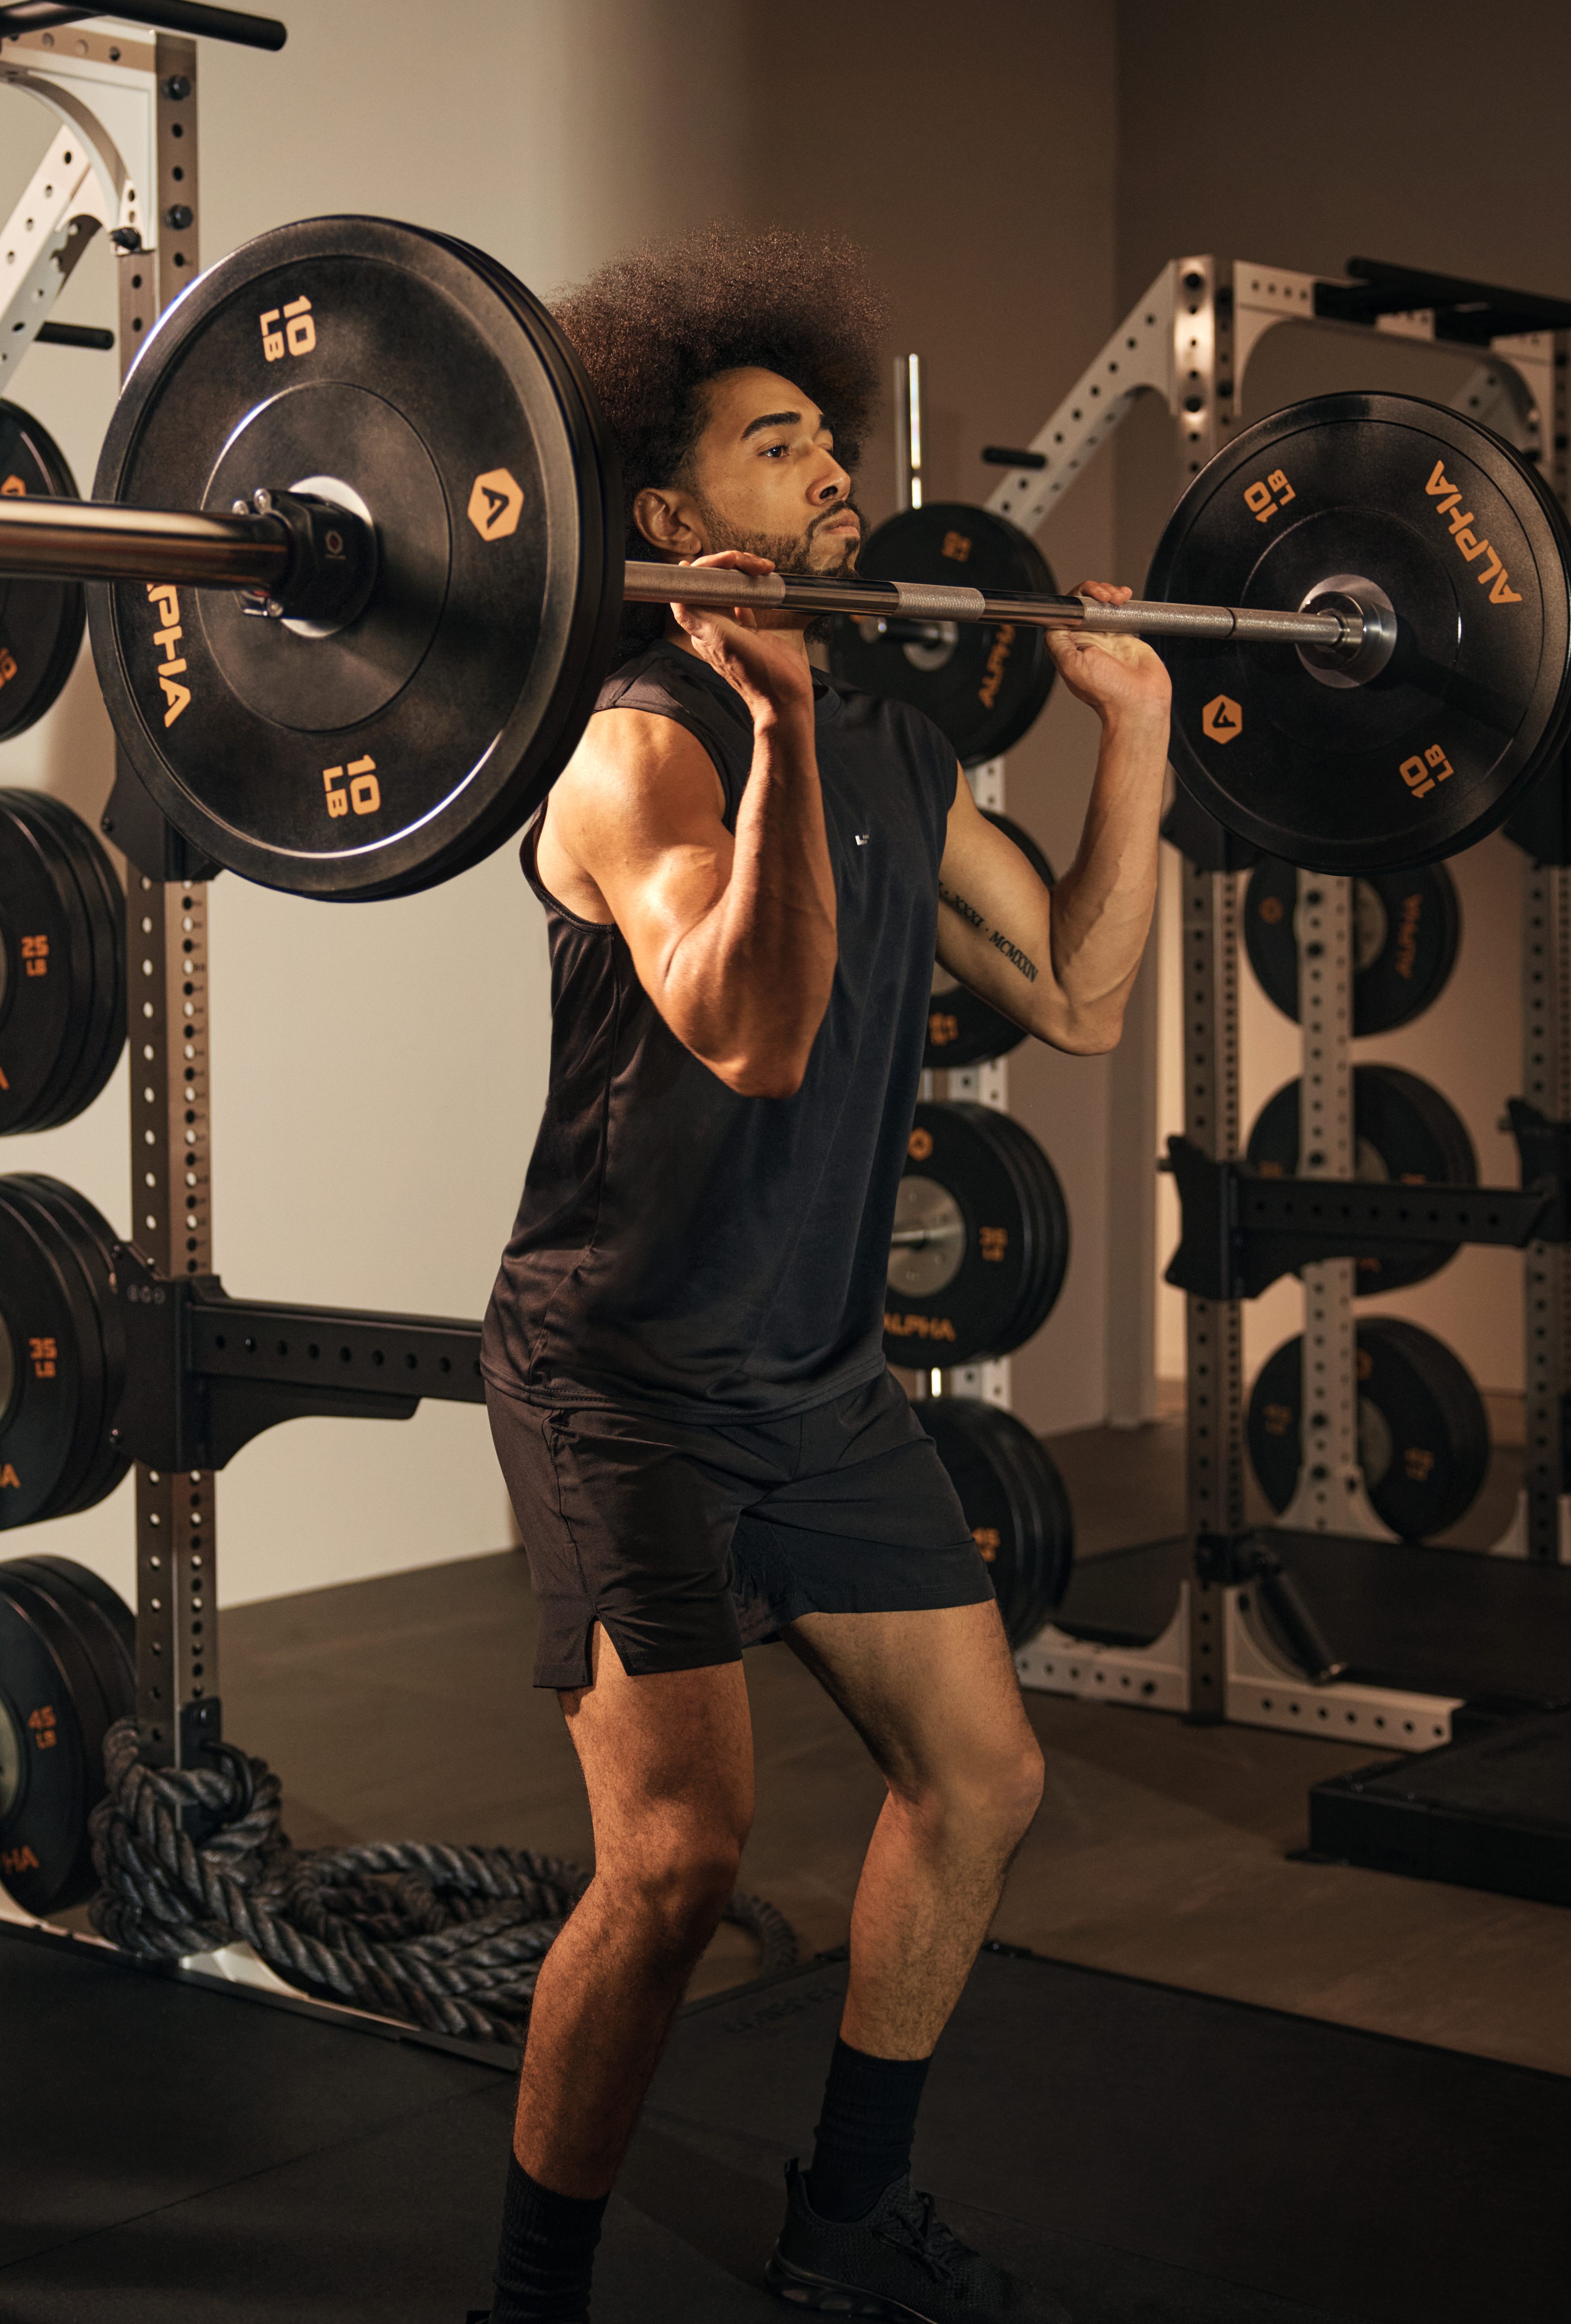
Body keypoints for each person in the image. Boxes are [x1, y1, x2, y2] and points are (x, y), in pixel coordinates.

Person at [476, 225, 1170, 2324]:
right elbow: (753, 1026)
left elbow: (1072, 989)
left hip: (816, 1369)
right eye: (779, 447)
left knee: (985, 1776)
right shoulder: (632, 750)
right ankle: (531, 2299)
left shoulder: (886, 737)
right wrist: (773, 723)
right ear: (671, 515)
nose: (835, 473)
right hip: (625, 1377)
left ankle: (845, 2220)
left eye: (830, 440)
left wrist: (1131, 733)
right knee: (678, 1858)